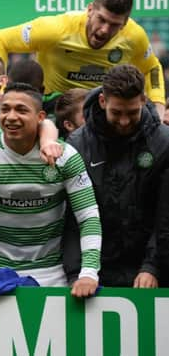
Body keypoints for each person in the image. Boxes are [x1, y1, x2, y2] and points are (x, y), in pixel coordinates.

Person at [0, 82, 102, 297]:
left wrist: (89, 272)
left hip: (50, 273)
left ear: (40, 118)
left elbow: (88, 218)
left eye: (21, 110)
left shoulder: (65, 156)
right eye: (5, 109)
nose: (11, 116)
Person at [0, 0, 166, 116]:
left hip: (103, 109)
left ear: (125, 23)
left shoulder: (134, 36)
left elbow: (151, 68)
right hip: (54, 107)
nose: (104, 30)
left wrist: (158, 103)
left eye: (114, 25)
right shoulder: (55, 30)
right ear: (90, 10)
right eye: (101, 19)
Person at [65, 65, 169, 287]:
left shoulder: (163, 143)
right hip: (92, 270)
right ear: (103, 102)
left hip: (149, 270)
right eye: (116, 113)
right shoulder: (77, 144)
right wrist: (77, 273)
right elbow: (72, 218)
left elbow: (165, 215)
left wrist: (152, 267)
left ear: (142, 99)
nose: (124, 121)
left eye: (132, 113)